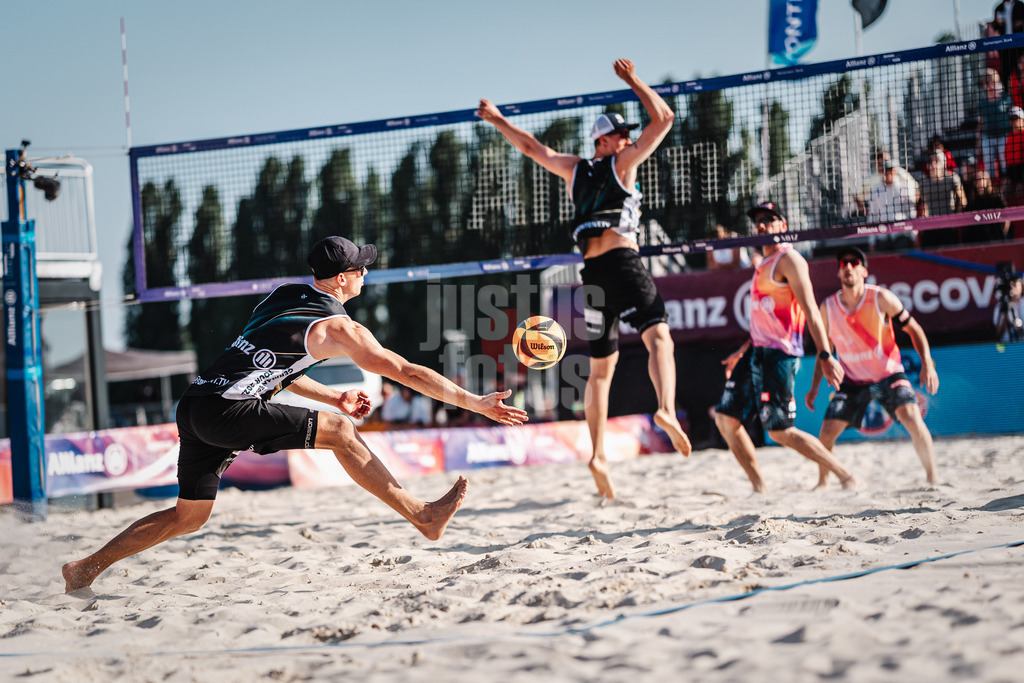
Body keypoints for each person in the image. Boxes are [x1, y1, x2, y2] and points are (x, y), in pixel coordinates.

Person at [62, 236, 528, 593]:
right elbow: (406, 371)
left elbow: (269, 368)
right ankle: (423, 515)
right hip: (227, 411)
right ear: (343, 277)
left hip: (197, 403)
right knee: (343, 434)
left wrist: (334, 398)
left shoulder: (282, 295)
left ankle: (85, 569)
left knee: (189, 517)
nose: (366, 274)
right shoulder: (339, 327)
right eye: (361, 268)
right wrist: (476, 402)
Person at [476, 58, 691, 500]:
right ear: (606, 141)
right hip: (623, 264)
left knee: (600, 374)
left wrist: (498, 120)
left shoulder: (575, 170)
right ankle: (666, 409)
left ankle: (597, 455)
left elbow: (533, 149)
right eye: (623, 135)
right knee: (660, 339)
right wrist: (633, 81)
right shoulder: (622, 164)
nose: (630, 139)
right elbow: (665, 118)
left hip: (590, 277)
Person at [714, 202, 858, 494]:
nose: (762, 225)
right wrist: (742, 351)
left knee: (780, 432)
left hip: (779, 356)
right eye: (758, 221)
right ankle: (759, 489)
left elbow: (811, 312)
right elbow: (762, 321)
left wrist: (825, 354)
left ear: (784, 226)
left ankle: (845, 475)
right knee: (725, 419)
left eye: (769, 219)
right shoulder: (761, 265)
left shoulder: (789, 260)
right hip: (756, 351)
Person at [805, 247, 940, 488]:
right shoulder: (828, 307)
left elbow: (915, 329)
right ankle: (823, 483)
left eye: (853, 262)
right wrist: (814, 387)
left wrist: (927, 363)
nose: (847, 266)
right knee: (826, 433)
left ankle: (932, 478)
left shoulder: (881, 298)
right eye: (842, 263)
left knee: (912, 416)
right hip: (853, 380)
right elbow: (823, 352)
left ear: (864, 270)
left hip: (888, 374)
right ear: (838, 273)